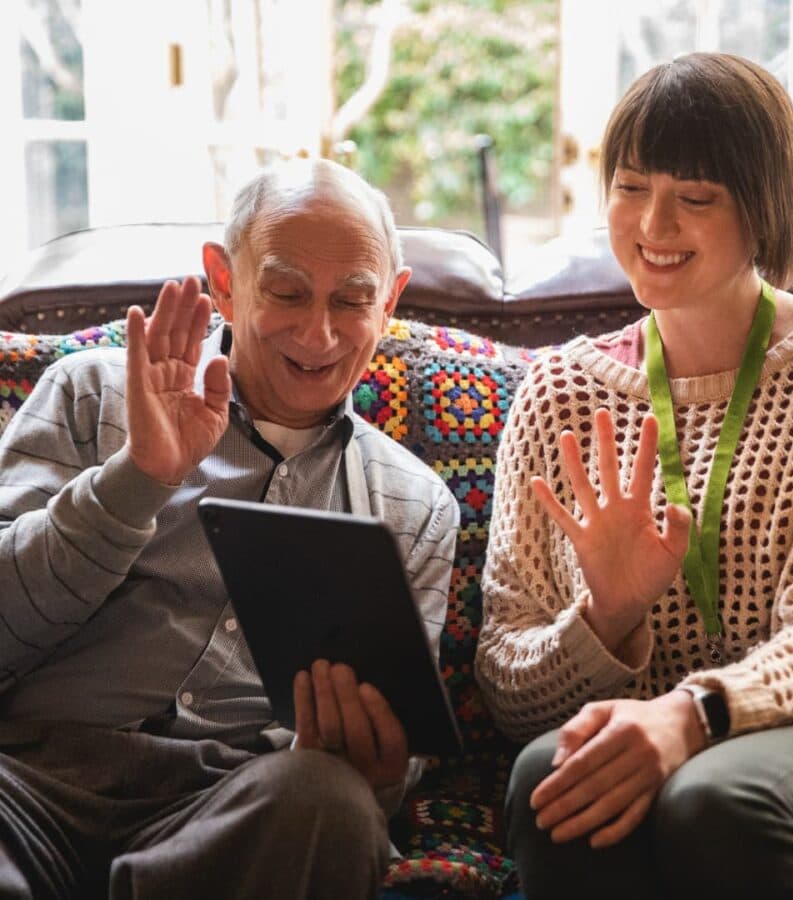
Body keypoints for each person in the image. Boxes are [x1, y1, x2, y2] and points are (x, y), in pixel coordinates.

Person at [474, 53, 793, 899]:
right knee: (553, 779)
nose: (653, 223)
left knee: (720, 796)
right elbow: (509, 680)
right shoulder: (556, 395)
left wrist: (693, 715)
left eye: (696, 197)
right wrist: (608, 615)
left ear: (763, 209)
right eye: (632, 186)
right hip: (681, 745)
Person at [0, 158, 459, 899]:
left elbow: (388, 769)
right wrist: (136, 478)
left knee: (329, 805)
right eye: (286, 292)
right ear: (223, 280)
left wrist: (370, 767)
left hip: (233, 807)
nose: (320, 332)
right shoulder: (91, 391)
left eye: (352, 300)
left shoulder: (414, 504)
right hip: (29, 780)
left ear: (391, 301)